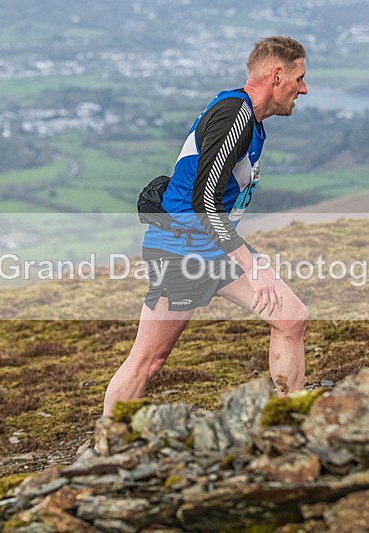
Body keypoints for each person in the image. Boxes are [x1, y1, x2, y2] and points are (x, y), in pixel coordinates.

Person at [102, 36, 309, 420]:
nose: (304, 88)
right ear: (276, 75)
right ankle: (104, 446)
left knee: (291, 316)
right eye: (299, 78)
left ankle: (289, 422)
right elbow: (203, 202)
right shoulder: (236, 115)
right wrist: (250, 265)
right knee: (149, 359)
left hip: (211, 246)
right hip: (181, 249)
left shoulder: (251, 121)